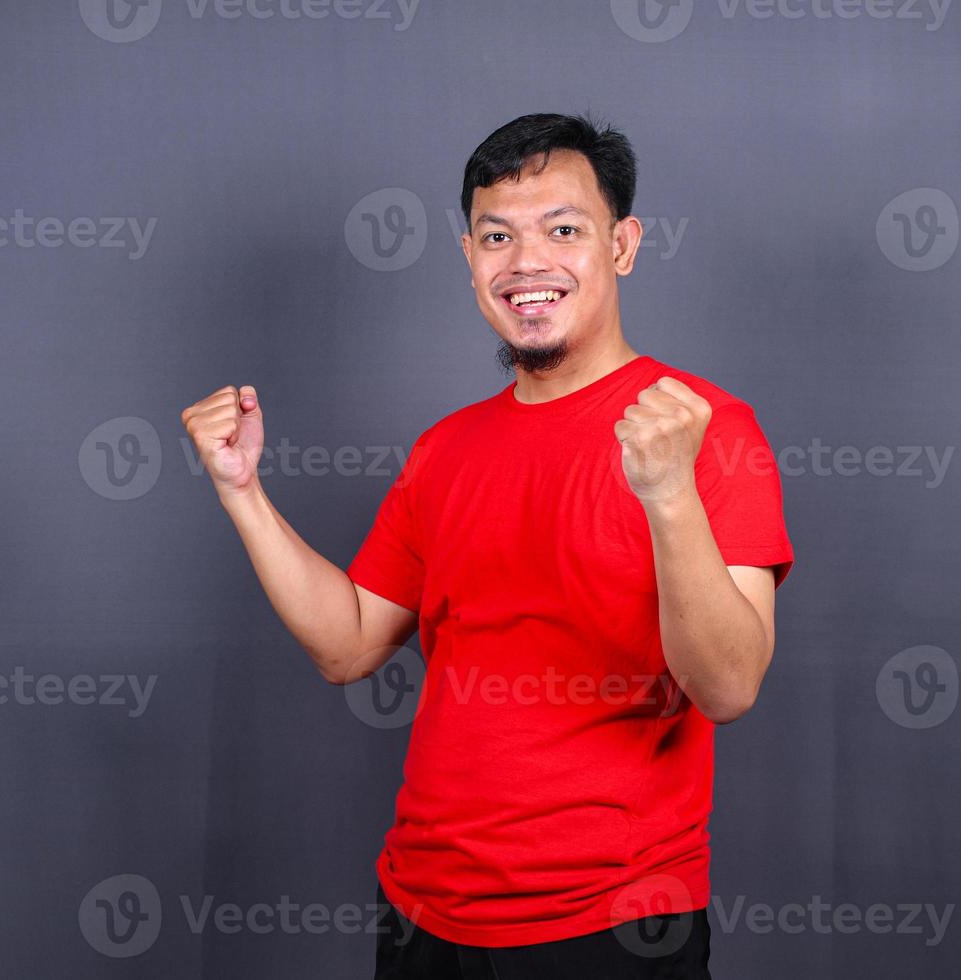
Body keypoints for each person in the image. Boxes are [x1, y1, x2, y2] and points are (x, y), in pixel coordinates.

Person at [182, 111, 795, 979]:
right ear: (469, 258)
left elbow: (728, 685)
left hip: (610, 925)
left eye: (564, 230)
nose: (527, 262)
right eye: (496, 235)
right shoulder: (448, 447)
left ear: (622, 246)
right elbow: (348, 641)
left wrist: (667, 494)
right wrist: (242, 491)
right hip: (424, 912)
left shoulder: (707, 429)